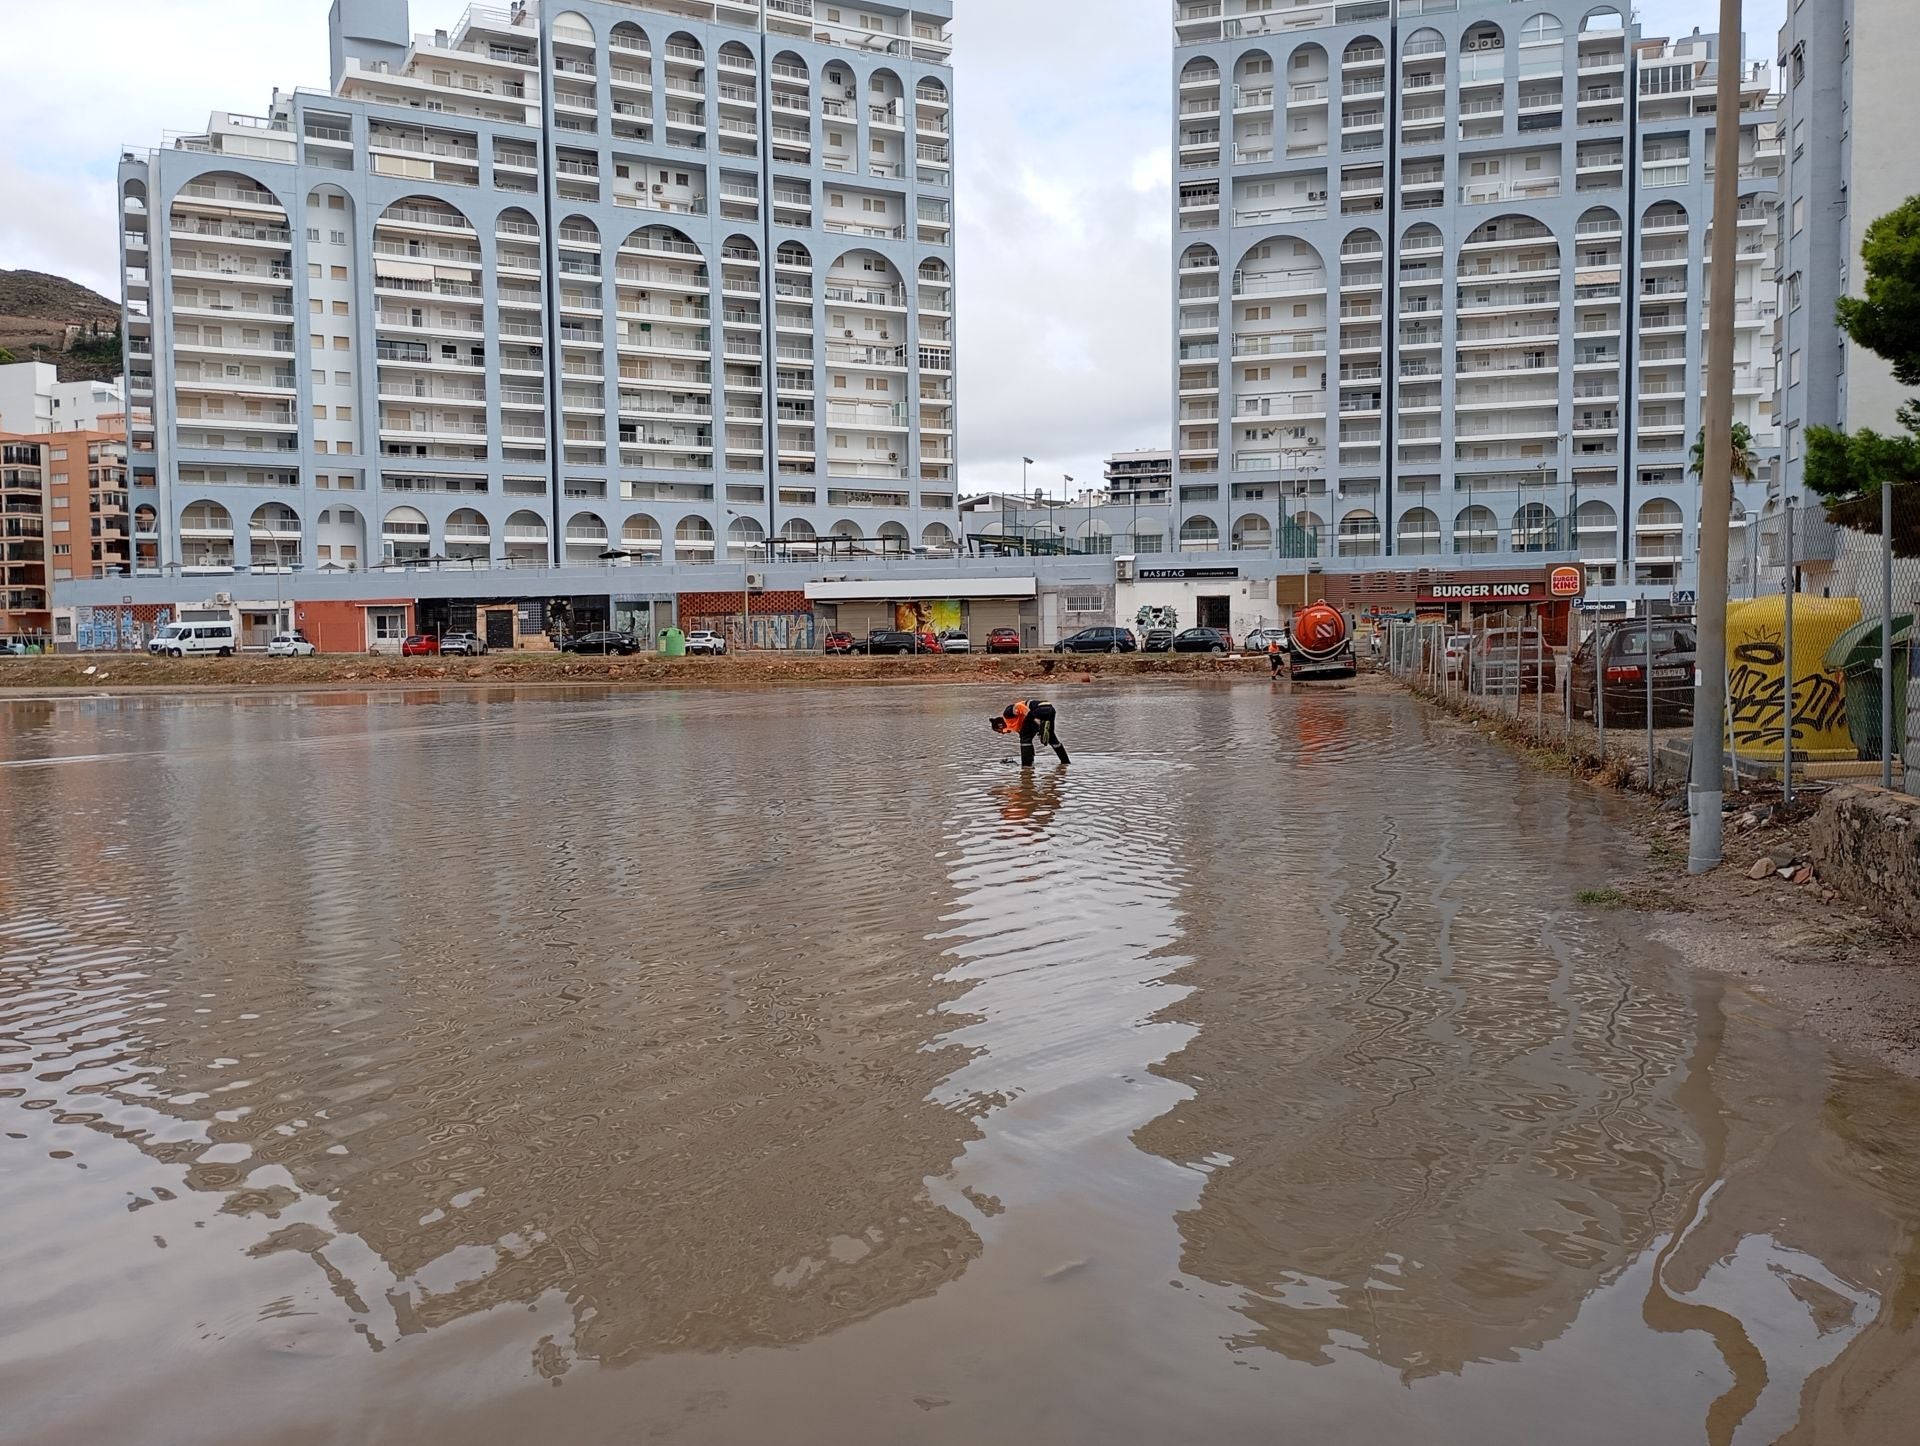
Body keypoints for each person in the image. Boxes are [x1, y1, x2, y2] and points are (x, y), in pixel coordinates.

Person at [989, 699, 1070, 767]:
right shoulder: (1018, 725)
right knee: (1051, 738)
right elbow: (1027, 742)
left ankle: (1026, 767)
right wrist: (1032, 755)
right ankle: (1065, 762)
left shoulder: (1007, 714)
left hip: (1038, 710)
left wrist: (1035, 719)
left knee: (1025, 738)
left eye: (1000, 731)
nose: (1003, 733)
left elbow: (1019, 706)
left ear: (1000, 726)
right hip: (1050, 710)